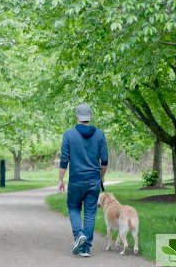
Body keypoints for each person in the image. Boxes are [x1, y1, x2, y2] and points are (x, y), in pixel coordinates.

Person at [58, 104, 108, 257]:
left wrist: (60, 180)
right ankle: (86, 248)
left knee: (73, 208)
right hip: (93, 180)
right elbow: (104, 160)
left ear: (77, 116)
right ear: (90, 116)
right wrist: (100, 177)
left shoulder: (68, 134)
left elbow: (64, 159)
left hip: (76, 181)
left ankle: (79, 235)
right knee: (90, 213)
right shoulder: (100, 135)